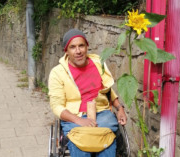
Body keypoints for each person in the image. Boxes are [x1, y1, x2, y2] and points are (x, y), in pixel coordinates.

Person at [48, 29, 127, 157]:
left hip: (102, 114)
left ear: (87, 46)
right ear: (66, 51)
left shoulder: (98, 64)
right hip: (74, 117)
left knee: (105, 136)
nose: (78, 51)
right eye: (72, 47)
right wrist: (79, 120)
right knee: (82, 140)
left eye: (81, 46)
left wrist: (119, 108)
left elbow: (107, 90)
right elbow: (57, 106)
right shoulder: (58, 73)